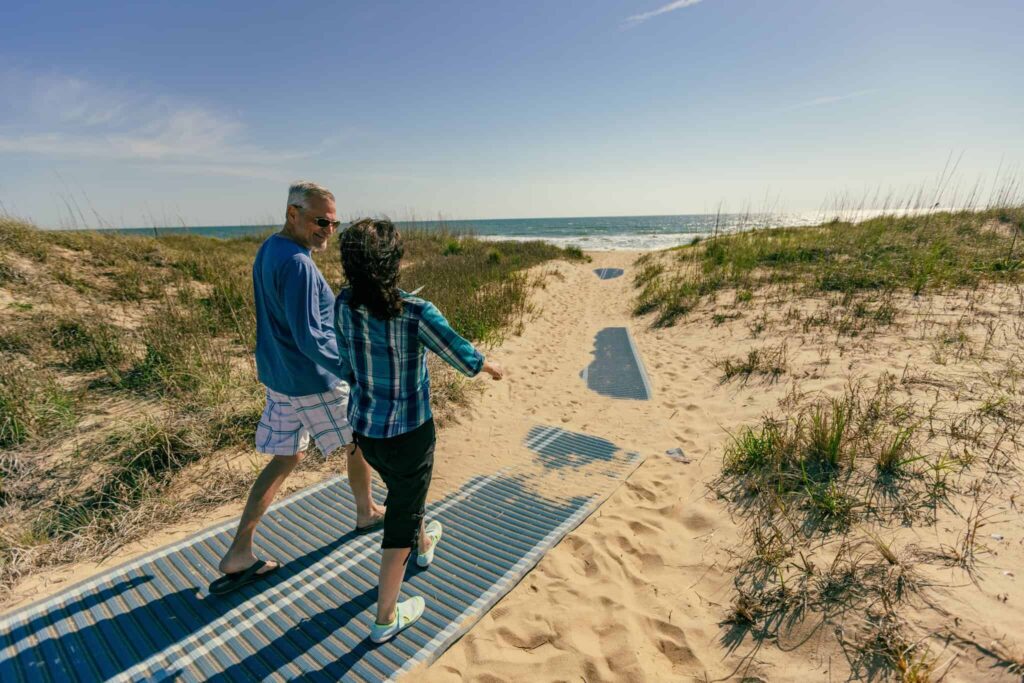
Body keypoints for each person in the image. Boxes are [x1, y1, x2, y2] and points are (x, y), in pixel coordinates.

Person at [209, 182, 386, 595]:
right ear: (293, 213)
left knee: (285, 459)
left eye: (333, 223)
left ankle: (240, 551)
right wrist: (352, 370)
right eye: (319, 221)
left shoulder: (271, 248)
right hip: (310, 380)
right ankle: (366, 511)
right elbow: (310, 338)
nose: (327, 230)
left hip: (279, 377)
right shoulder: (300, 265)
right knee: (360, 439)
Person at [334, 218, 504, 642]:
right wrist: (490, 365)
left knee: (407, 492)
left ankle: (424, 546)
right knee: (400, 524)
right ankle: (385, 618)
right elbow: (462, 356)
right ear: (395, 261)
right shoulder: (413, 311)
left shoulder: (343, 304)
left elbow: (344, 364)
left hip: (366, 430)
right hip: (410, 433)